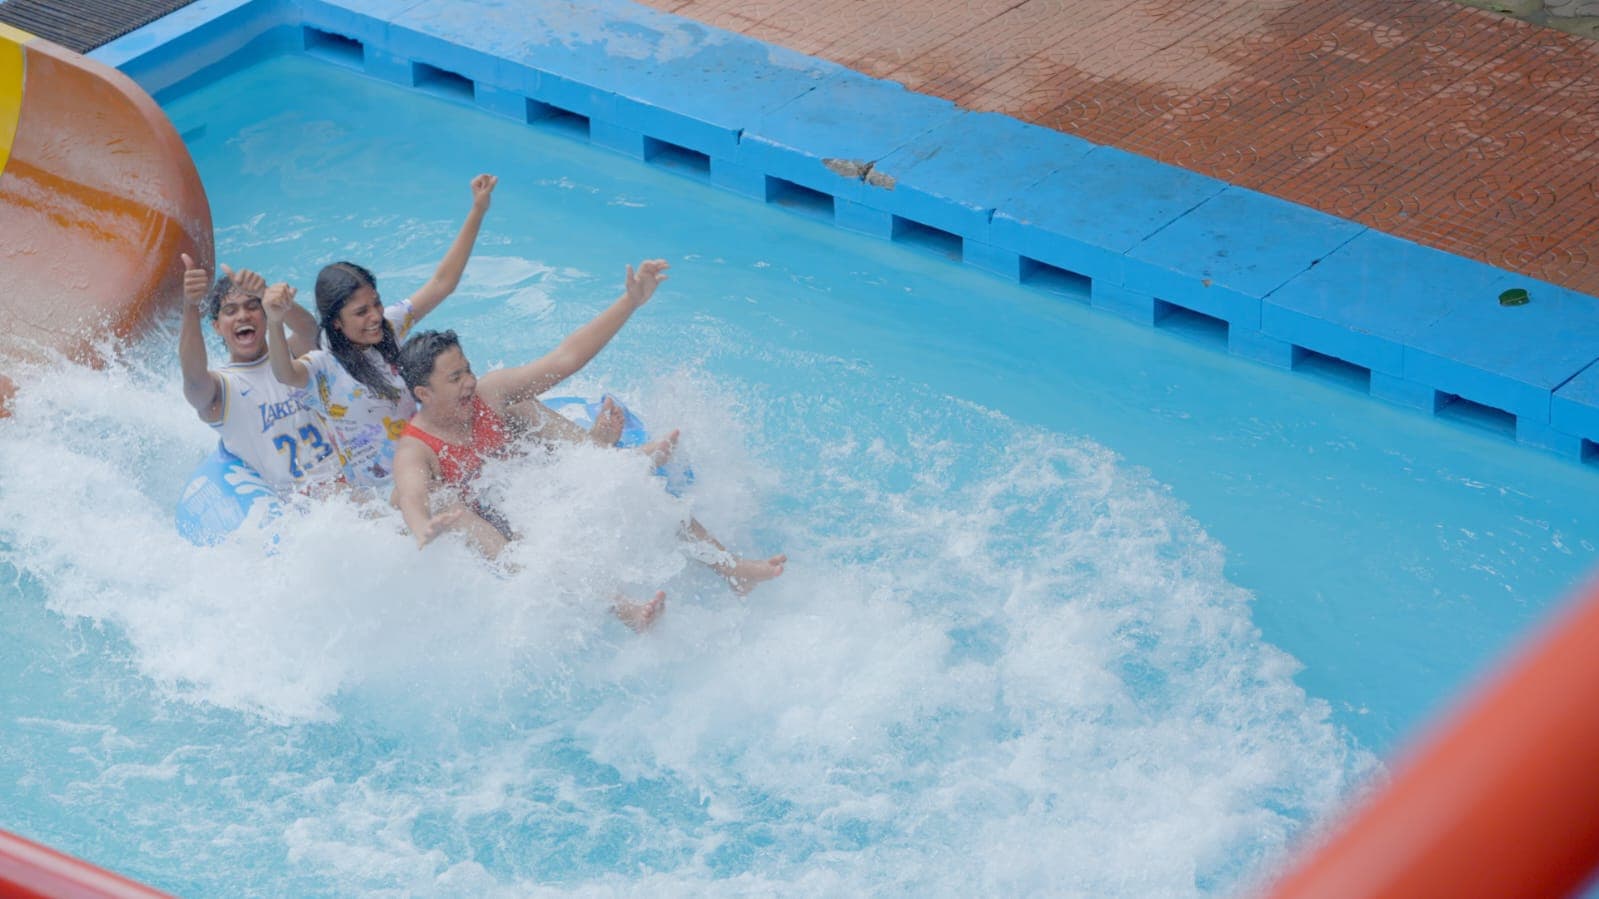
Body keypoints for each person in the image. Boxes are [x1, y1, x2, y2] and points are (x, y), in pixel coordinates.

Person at [390, 329, 787, 629]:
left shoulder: (489, 396)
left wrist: (630, 301)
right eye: (455, 378)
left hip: (521, 484)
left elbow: (563, 360)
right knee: (453, 509)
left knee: (525, 408)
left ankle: (730, 567)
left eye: (468, 370)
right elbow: (410, 496)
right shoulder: (416, 449)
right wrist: (422, 527)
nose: (469, 382)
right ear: (424, 392)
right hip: (490, 529)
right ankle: (624, 610)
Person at [262, 173, 499, 489]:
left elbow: (443, 283)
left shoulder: (389, 327)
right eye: (361, 312)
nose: (374, 317)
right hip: (386, 492)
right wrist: (275, 321)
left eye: (376, 303)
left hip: (430, 462)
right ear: (336, 322)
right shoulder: (323, 366)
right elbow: (283, 373)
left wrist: (477, 211)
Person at [178, 253, 339, 494]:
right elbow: (192, 377)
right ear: (217, 327)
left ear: (265, 315)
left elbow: (311, 331)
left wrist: (265, 292)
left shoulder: (294, 354)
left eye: (252, 306)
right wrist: (191, 306)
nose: (243, 315)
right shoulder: (222, 390)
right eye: (231, 311)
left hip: (343, 481)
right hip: (296, 507)